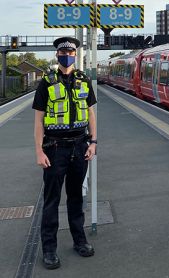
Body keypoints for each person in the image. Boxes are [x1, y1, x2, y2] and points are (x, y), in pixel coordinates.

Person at [32, 37, 97, 269]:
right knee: (51, 201)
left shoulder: (83, 79)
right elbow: (38, 120)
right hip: (55, 148)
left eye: (70, 51)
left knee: (76, 198)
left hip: (80, 146)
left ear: (75, 54)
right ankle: (49, 249)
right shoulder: (47, 82)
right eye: (63, 52)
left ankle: (80, 240)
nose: (67, 55)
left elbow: (90, 113)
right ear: (57, 55)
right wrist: (39, 151)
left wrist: (94, 142)